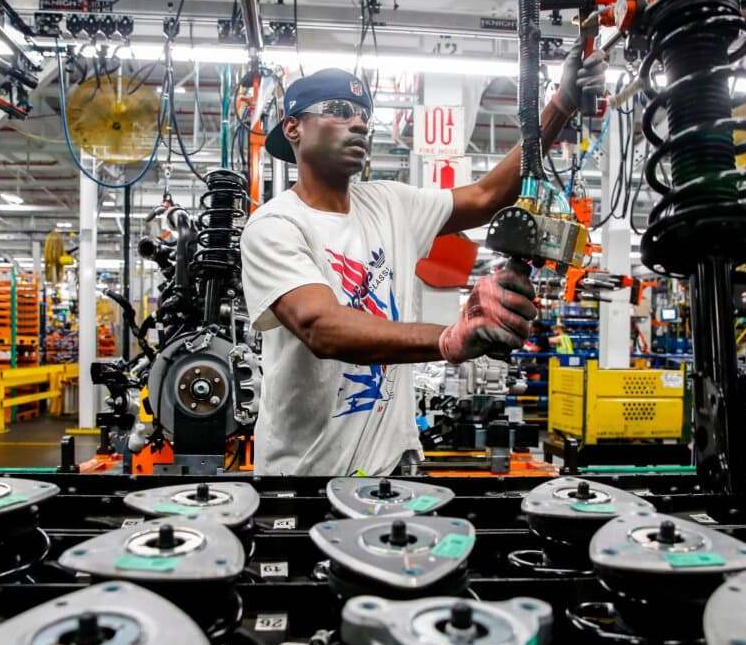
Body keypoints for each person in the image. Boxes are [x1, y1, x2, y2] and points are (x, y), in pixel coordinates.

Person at [240, 43, 606, 477]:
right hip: (304, 476)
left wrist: (559, 107)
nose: (358, 123)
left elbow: (487, 195)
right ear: (294, 128)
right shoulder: (274, 225)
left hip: (393, 467)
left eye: (363, 114)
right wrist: (448, 337)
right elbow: (321, 326)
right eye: (339, 110)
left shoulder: (390, 202)